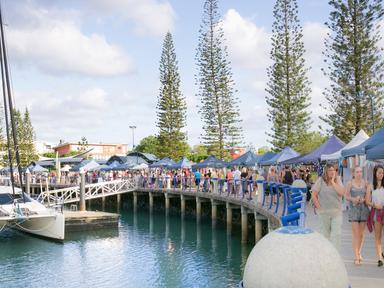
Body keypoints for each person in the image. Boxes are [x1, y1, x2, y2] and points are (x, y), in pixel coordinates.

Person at [311, 163, 345, 250]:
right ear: (326, 171)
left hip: (336, 212)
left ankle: (335, 255)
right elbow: (314, 194)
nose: (332, 172)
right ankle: (326, 253)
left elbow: (341, 193)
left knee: (336, 234)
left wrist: (333, 182)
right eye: (330, 170)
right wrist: (319, 208)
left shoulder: (338, 180)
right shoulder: (321, 180)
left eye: (333, 170)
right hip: (324, 213)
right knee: (325, 235)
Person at [345, 166, 370, 265]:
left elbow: (368, 196)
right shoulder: (350, 183)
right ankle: (356, 256)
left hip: (363, 209)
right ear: (353, 173)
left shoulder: (366, 183)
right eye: (357, 172)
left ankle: (359, 252)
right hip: (354, 209)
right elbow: (346, 196)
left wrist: (365, 199)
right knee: (355, 233)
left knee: (361, 234)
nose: (359, 173)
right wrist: (353, 199)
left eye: (360, 172)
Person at [365, 164, 384, 267]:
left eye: (382, 173)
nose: (381, 174)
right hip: (376, 213)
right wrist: (374, 204)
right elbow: (367, 201)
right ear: (375, 173)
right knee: (378, 236)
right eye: (379, 172)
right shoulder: (370, 186)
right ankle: (380, 258)